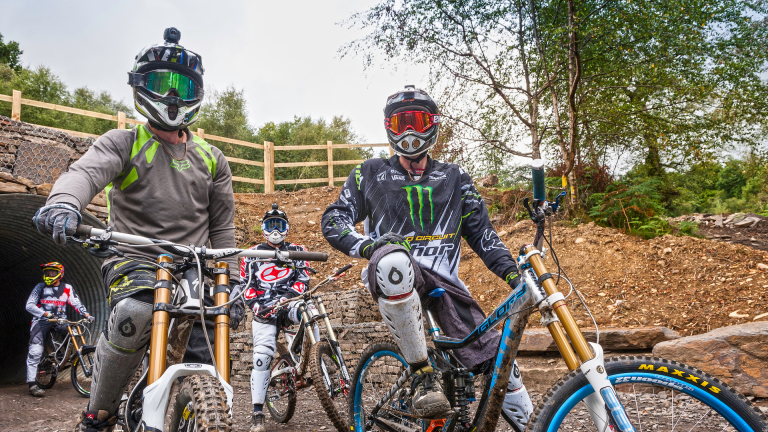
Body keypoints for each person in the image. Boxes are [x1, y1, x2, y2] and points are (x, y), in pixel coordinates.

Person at [32, 27, 244, 432]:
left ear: (197, 92)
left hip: (195, 266)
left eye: (182, 85)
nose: (172, 95)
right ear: (140, 86)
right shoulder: (123, 142)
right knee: (134, 311)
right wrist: (63, 202)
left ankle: (205, 407)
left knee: (214, 324)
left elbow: (223, 227)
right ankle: (99, 413)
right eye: (161, 82)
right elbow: (84, 174)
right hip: (133, 258)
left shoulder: (212, 158)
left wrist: (229, 280)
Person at [321, 85, 534, 429]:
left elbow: (483, 236)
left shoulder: (455, 177)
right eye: (400, 122)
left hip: (446, 287)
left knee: (503, 368)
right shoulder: (369, 172)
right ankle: (421, 376)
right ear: (388, 127)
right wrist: (367, 246)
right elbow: (334, 219)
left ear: (432, 125)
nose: (409, 132)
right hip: (394, 278)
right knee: (394, 261)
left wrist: (515, 277)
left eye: (417, 121)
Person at [237, 204, 313, 432]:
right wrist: (257, 305)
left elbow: (304, 278)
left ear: (287, 228)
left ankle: (310, 361)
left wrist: (290, 297)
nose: (275, 230)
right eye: (271, 225)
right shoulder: (251, 254)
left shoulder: (299, 250)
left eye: (279, 225)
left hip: (289, 303)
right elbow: (245, 285)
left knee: (309, 311)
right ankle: (257, 412)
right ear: (263, 228)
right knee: (261, 356)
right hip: (264, 309)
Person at [25, 262, 93, 397]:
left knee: (72, 331)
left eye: (52, 272)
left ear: (59, 274)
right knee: (36, 350)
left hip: (60, 320)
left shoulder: (67, 288)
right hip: (41, 320)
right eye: (47, 273)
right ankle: (32, 384)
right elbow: (29, 305)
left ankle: (62, 355)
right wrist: (45, 314)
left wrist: (86, 315)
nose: (49, 275)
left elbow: (76, 302)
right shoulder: (40, 287)